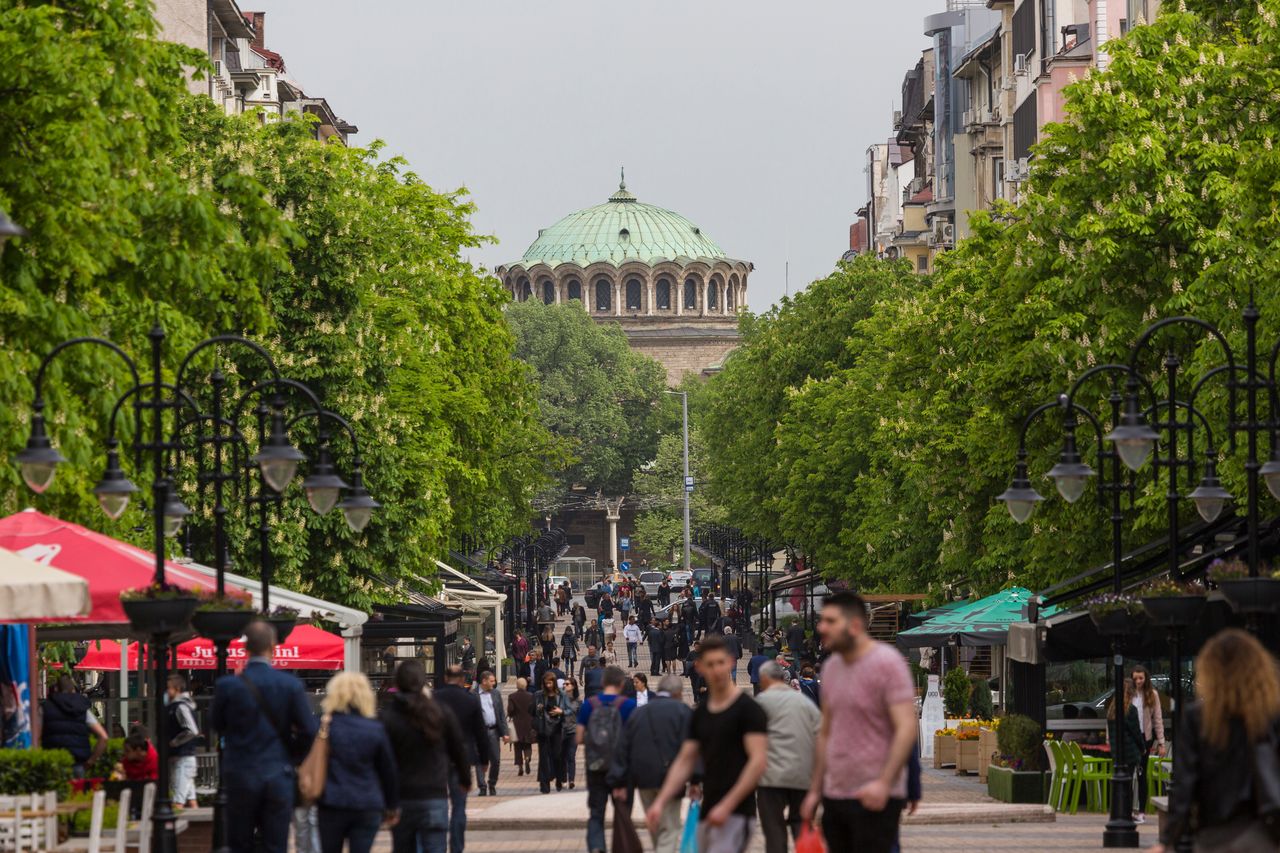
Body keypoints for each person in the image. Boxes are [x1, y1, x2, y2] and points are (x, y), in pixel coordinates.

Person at [801, 592, 916, 853]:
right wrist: (815, 790)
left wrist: (885, 782)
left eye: (830, 621)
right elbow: (826, 732)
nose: (821, 628)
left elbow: (906, 728)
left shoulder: (888, 663)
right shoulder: (831, 669)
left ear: (854, 625)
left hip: (875, 794)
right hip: (836, 792)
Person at [1154, 628, 1280, 853]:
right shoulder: (1270, 715)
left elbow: (1184, 784)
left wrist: (1167, 839)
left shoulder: (1198, 717)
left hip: (1214, 836)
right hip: (1263, 834)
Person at [648, 634, 767, 853]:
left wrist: (727, 805)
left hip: (738, 812)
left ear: (731, 662)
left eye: (721, 663)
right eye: (710, 664)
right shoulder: (701, 713)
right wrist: (661, 801)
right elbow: (686, 759)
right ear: (699, 667)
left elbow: (758, 762)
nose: (717, 670)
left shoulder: (749, 709)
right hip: (708, 807)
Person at [211, 620, 317, 853]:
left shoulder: (228, 685)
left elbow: (216, 724)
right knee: (275, 843)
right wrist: (293, 756)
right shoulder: (290, 685)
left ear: (245, 649)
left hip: (240, 772)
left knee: (239, 842)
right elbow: (309, 730)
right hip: (277, 772)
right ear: (274, 646)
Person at [380, 662, 467, 853]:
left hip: (402, 799)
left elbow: (383, 761)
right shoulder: (439, 712)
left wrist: (386, 801)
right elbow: (457, 748)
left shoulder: (389, 717)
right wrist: (465, 778)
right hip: (433, 796)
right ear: (423, 682)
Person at [609, 675, 693, 853]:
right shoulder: (683, 711)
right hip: (672, 777)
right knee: (669, 827)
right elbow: (692, 748)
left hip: (644, 777)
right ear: (678, 693)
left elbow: (623, 746)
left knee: (654, 823)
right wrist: (696, 779)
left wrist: (618, 779)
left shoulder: (639, 712)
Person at [316, 672, 398, 853]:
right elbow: (388, 770)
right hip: (367, 802)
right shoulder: (375, 729)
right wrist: (392, 805)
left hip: (331, 802)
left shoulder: (324, 728)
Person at [755, 661, 821, 853]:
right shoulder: (805, 704)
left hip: (770, 777)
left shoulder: (760, 703)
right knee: (802, 824)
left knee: (774, 828)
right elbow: (821, 737)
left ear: (765, 680)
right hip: (803, 774)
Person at [577, 666, 638, 853]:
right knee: (622, 811)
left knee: (596, 813)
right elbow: (634, 738)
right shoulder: (628, 705)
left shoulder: (589, 704)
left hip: (595, 766)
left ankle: (597, 847)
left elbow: (579, 738)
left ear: (602, 683)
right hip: (621, 768)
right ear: (622, 684)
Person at [432, 664, 488, 853]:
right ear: (463, 680)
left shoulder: (434, 699)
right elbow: (481, 733)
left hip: (438, 759)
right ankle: (457, 847)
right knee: (458, 806)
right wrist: (484, 759)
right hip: (462, 759)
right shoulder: (470, 700)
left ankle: (438, 846)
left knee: (438, 804)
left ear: (446, 678)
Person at [41, 675, 108, 779]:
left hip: (53, 763)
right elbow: (103, 737)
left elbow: (36, 736)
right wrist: (90, 762)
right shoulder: (82, 708)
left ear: (55, 689)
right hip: (78, 763)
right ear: (73, 690)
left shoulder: (46, 708)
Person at [1107, 678, 1147, 826]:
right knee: (1128, 782)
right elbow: (1136, 732)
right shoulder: (1130, 710)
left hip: (1117, 752)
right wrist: (1142, 748)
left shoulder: (1112, 709)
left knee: (1120, 782)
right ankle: (1127, 811)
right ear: (1131, 692)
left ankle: (1120, 811)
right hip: (1129, 752)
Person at [1131, 664, 1166, 820]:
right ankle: (1128, 810)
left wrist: (1161, 743)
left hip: (1144, 737)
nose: (1138, 681)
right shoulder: (1128, 693)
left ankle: (1142, 812)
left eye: (1141, 678)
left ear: (1146, 679)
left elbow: (1158, 719)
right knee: (1125, 774)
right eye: (1135, 678)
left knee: (1141, 774)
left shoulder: (1152, 694)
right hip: (1129, 737)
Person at [166, 674, 201, 809]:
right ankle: (200, 829)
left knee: (177, 801)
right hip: (181, 758)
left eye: (169, 688)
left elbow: (192, 730)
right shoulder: (177, 706)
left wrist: (174, 742)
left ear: (177, 688)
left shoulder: (180, 706)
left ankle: (170, 830)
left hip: (183, 758)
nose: (167, 692)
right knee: (191, 800)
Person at [534, 671, 571, 793]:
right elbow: (531, 711)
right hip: (543, 729)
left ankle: (559, 778)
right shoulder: (538, 695)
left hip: (557, 729)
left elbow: (570, 710)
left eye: (550, 683)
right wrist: (537, 708)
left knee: (557, 756)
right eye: (546, 683)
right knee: (544, 757)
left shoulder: (562, 694)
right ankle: (544, 784)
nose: (548, 685)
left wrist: (561, 711)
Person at [474, 671, 508, 797]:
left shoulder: (496, 694)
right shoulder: (473, 695)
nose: (494, 683)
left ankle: (492, 783)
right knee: (480, 761)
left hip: (493, 731)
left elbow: (501, 714)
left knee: (496, 760)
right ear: (484, 681)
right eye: (492, 681)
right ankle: (482, 786)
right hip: (479, 734)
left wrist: (505, 733)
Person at [507, 678, 535, 776]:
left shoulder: (512, 696)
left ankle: (520, 766)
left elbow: (510, 710)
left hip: (517, 724)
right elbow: (533, 709)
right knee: (527, 744)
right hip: (528, 723)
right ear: (526, 685)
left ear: (517, 685)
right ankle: (527, 758)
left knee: (518, 746)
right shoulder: (531, 696)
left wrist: (511, 714)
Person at [562, 678, 582, 791]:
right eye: (564, 684)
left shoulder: (578, 701)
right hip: (561, 731)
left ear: (573, 686)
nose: (565, 685)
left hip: (573, 731)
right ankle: (564, 778)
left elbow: (581, 716)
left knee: (571, 756)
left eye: (568, 684)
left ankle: (571, 780)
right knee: (563, 756)